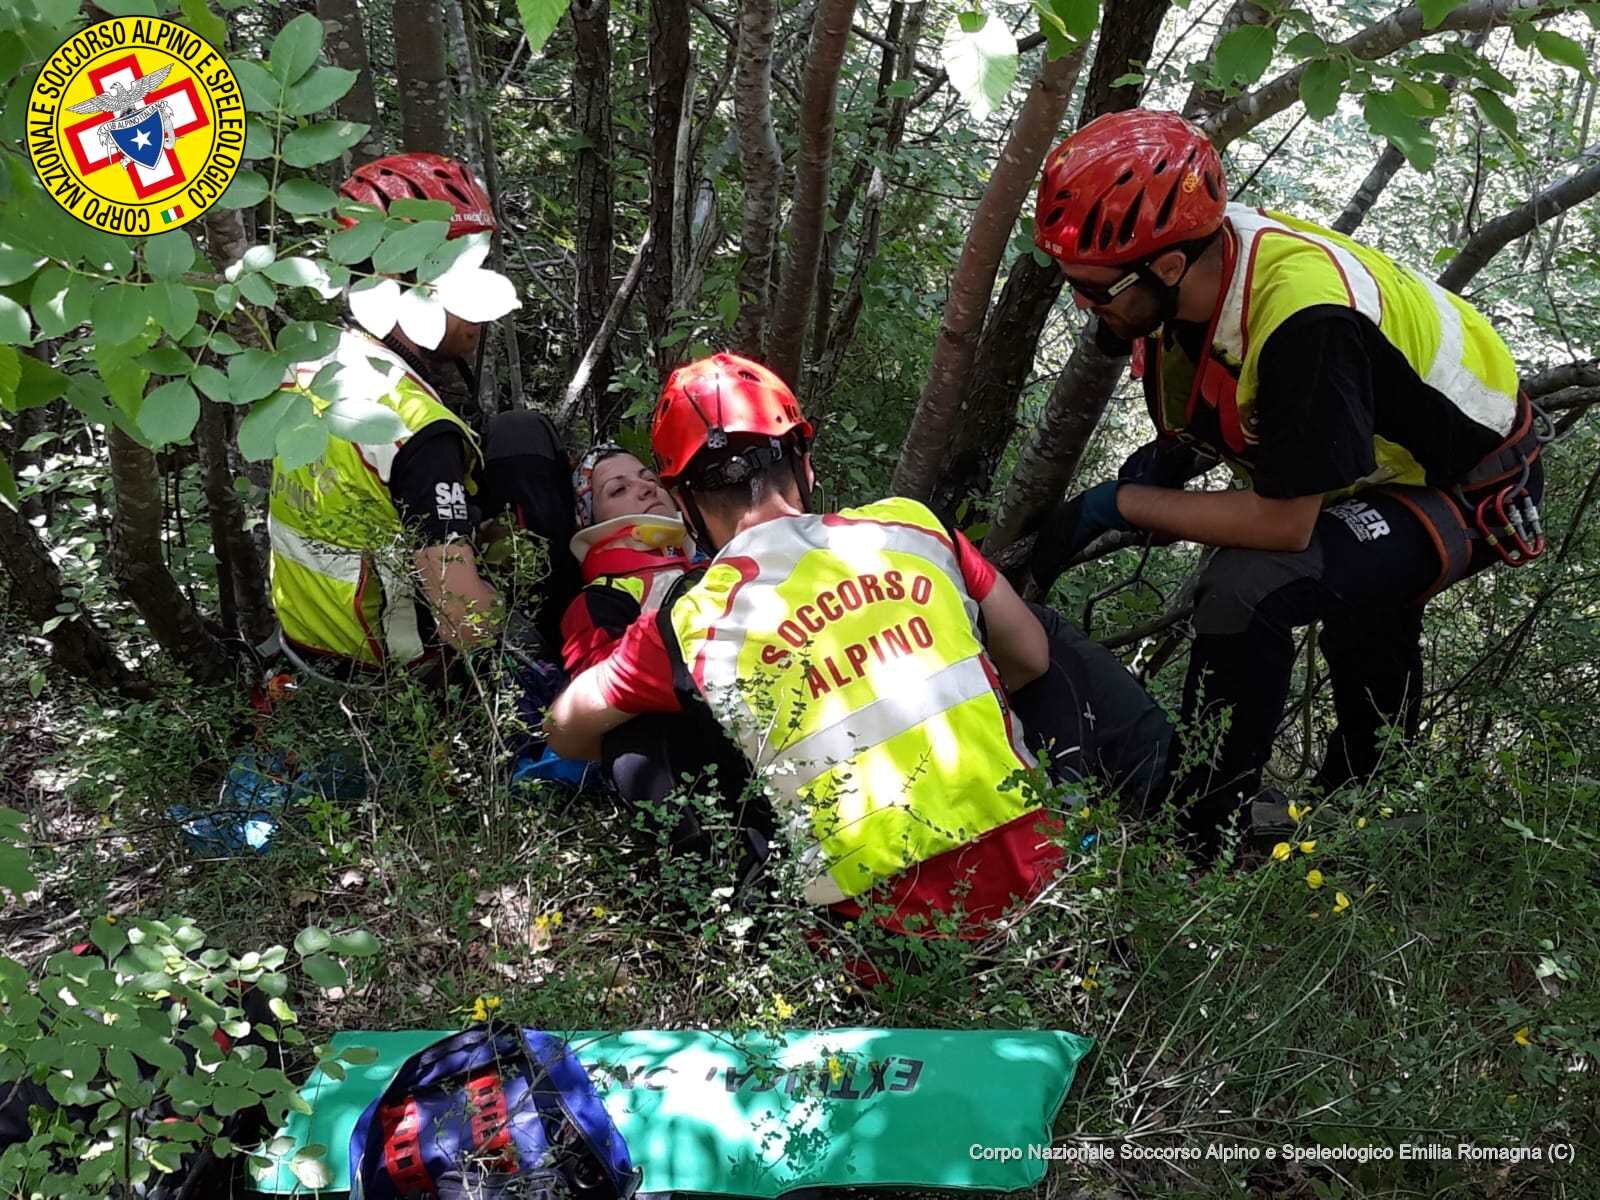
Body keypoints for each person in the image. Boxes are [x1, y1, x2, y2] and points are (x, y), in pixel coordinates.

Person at [1026, 109, 1546, 856]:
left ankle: (1212, 828)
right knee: (1358, 603)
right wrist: (1166, 463)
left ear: (1167, 266)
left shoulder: (1308, 325)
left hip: (1471, 478)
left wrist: (1119, 503)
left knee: (1253, 583)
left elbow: (1284, 525)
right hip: (1377, 457)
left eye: (1096, 289)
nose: (1085, 306)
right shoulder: (1209, 258)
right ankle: (1353, 802)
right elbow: (1221, 387)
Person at [547, 352, 1172, 938]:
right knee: (1026, 622)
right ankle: (1163, 805)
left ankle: (730, 931)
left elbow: (566, 729)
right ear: (804, 463)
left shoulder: (691, 617)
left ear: (684, 500)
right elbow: (1032, 656)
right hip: (1039, 883)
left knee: (638, 730)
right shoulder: (912, 526)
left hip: (881, 937)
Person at [267, 152, 578, 680]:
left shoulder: (310, 363)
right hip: (393, 674)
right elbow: (468, 625)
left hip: (310, 637)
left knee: (511, 436)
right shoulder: (417, 430)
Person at [559, 445, 695, 676]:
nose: (647, 488)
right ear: (590, 521)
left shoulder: (721, 562)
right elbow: (605, 693)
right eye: (619, 489)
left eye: (650, 478)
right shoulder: (595, 604)